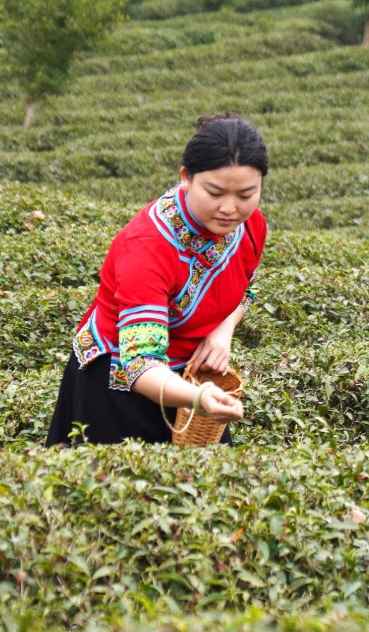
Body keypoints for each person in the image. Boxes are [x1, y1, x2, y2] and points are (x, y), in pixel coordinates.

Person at [46, 115, 269, 446]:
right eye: (215, 192)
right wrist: (199, 398)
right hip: (119, 387)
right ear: (186, 178)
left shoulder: (250, 226)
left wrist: (223, 331)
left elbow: (244, 288)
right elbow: (141, 366)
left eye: (246, 194)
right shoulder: (148, 247)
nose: (230, 208)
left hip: (191, 378)